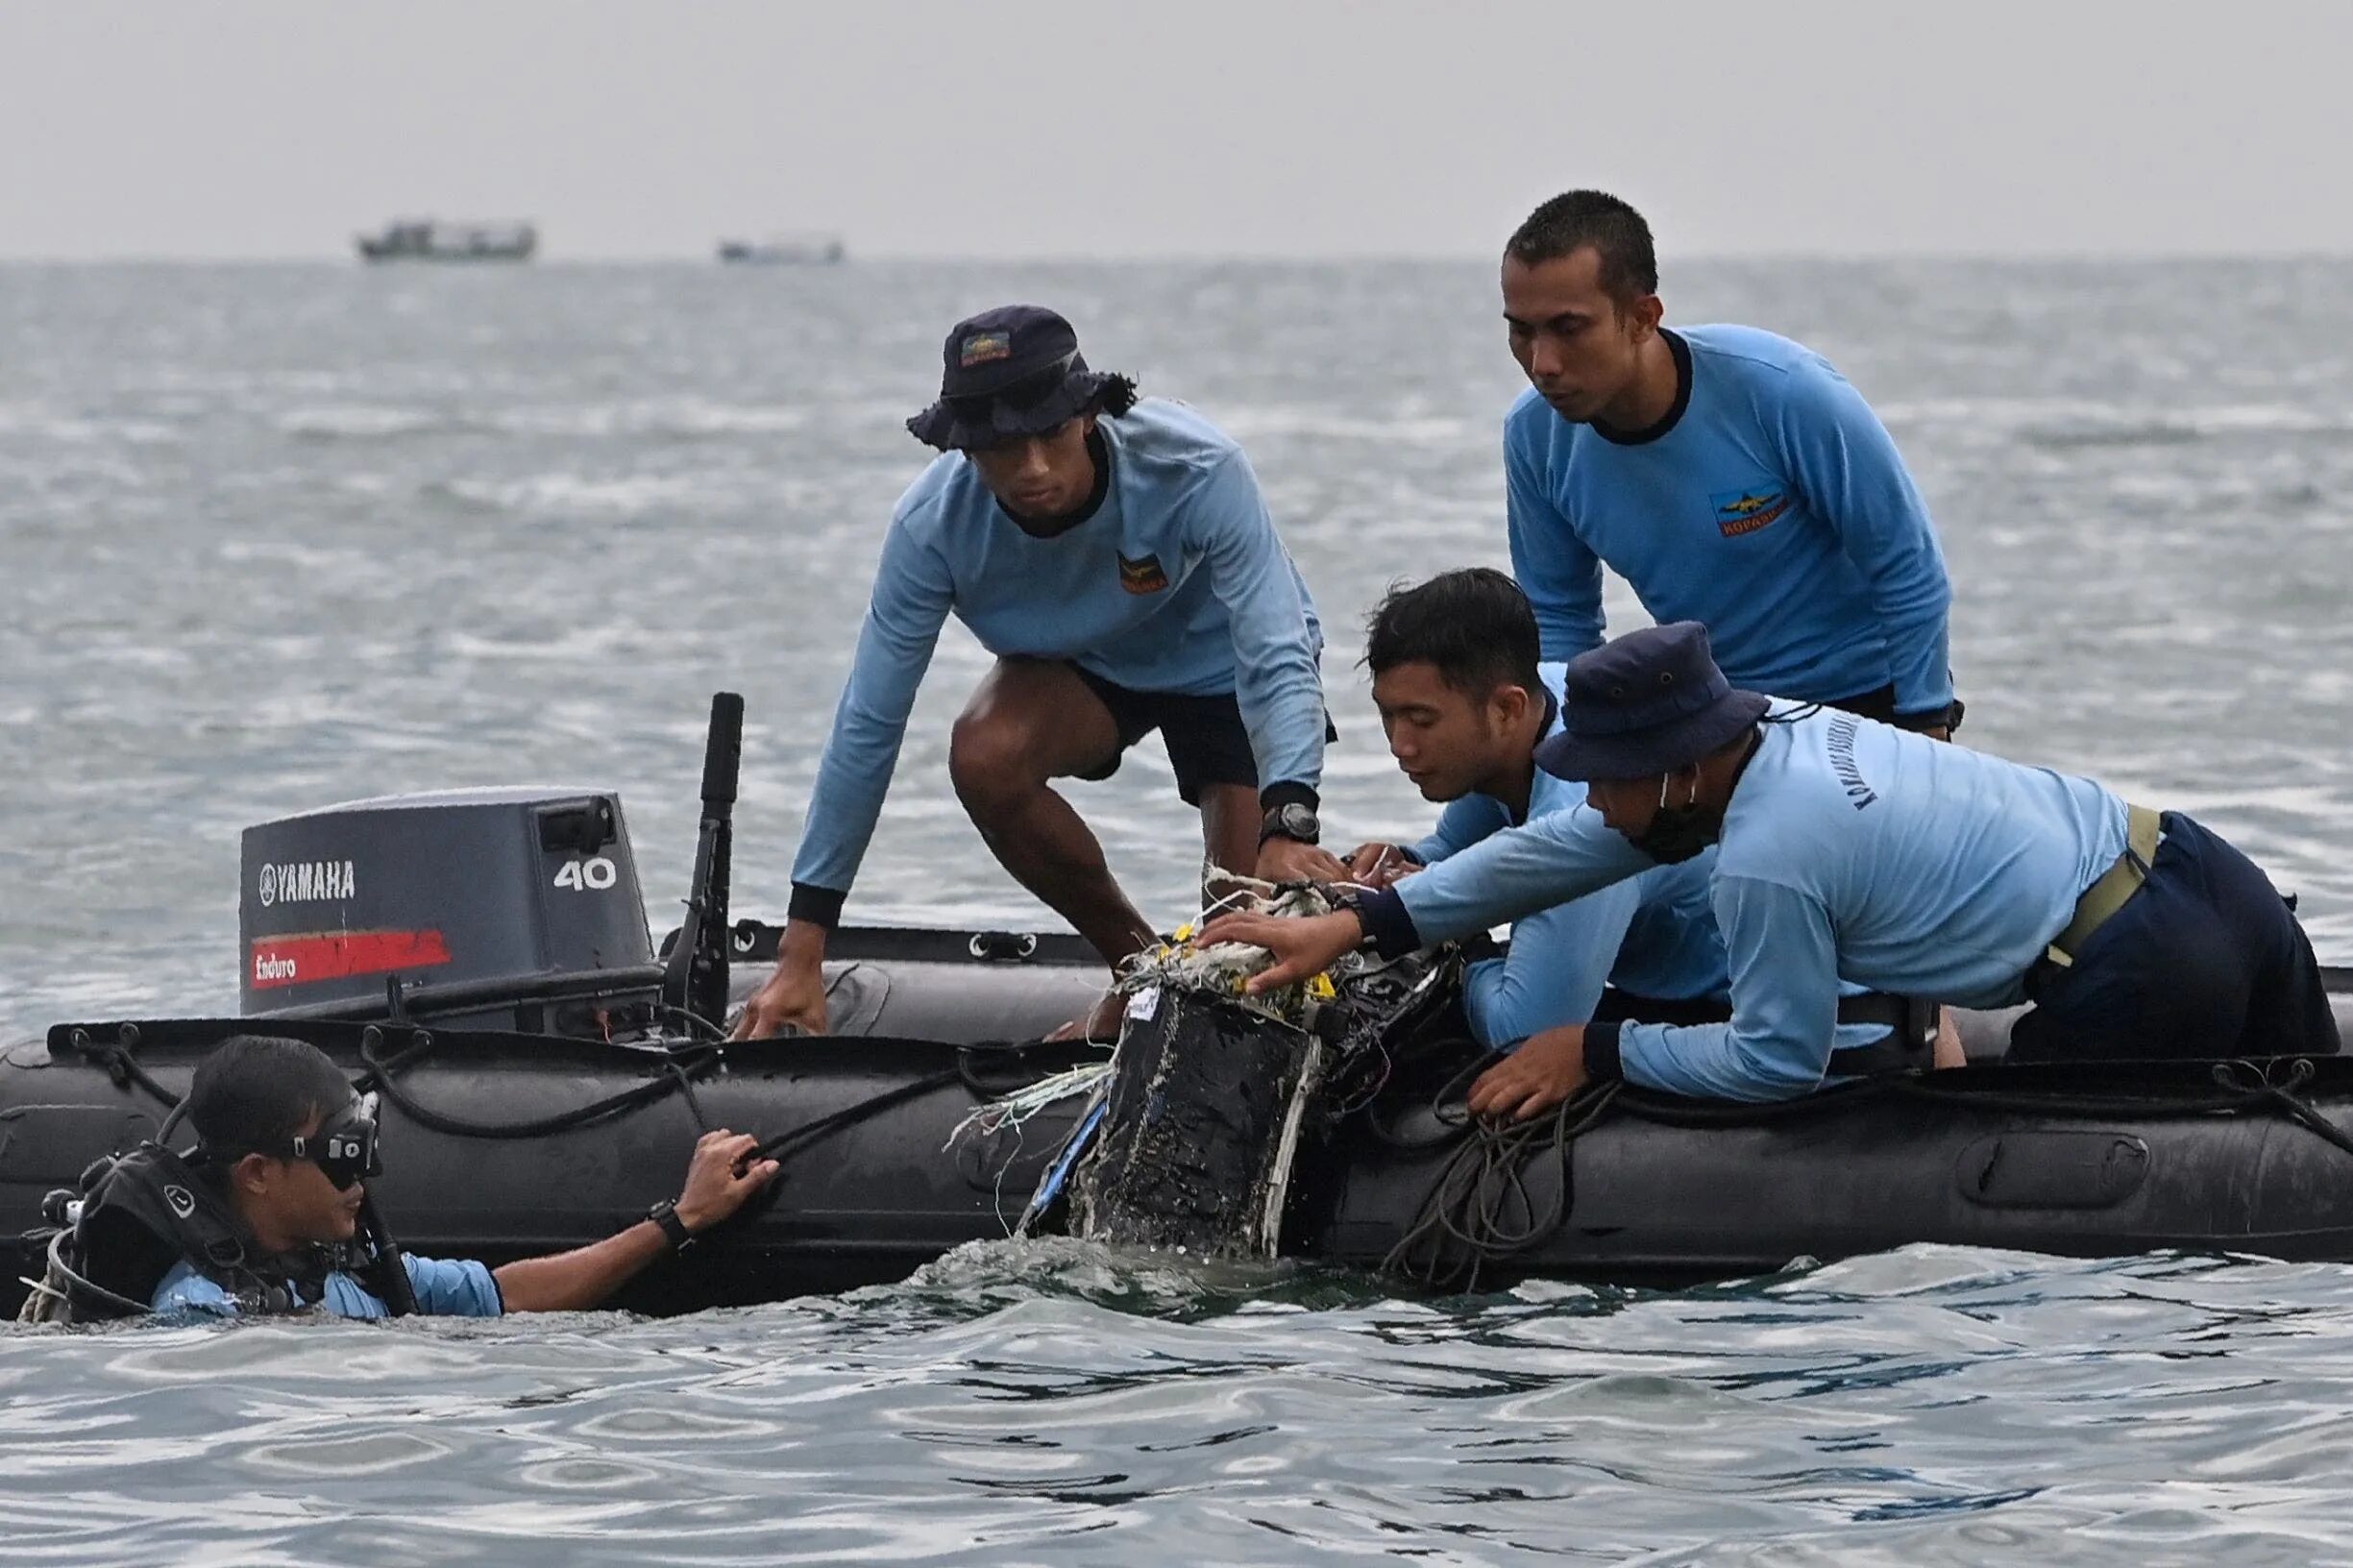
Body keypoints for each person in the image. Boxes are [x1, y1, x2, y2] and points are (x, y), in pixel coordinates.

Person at [1202, 623, 2340, 1114]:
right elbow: (1566, 850)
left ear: (1676, 767)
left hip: (2140, 968)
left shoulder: (1768, 860)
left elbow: (1779, 1062)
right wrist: (1359, 925)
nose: (1592, 797)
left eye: (1606, 773)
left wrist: (1593, 1047)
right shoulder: (1775, 732)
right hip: (2210, 873)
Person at [737, 305, 1344, 1043]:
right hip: (1087, 666)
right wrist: (803, 951)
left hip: (1226, 662)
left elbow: (1275, 651)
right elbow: (867, 725)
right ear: (960, 447)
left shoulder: (1197, 467)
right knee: (984, 753)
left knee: (1239, 953)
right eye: (997, 447)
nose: (1030, 470)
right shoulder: (930, 529)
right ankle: (1138, 970)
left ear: (1087, 416)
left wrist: (1289, 819)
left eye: (1048, 436)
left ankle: (1210, 970)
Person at [1501, 190, 1960, 736]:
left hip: (1871, 701)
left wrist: (1927, 726)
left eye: (1569, 328)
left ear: (1644, 318)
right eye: (1522, 330)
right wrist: (1571, 758)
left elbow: (1907, 565)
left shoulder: (1785, 391)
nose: (1542, 363)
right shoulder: (1533, 436)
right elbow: (1559, 620)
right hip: (1719, 715)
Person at [27, 1034, 778, 1322]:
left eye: (368, 1143)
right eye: (343, 1154)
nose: (366, 1175)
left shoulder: (345, 1268)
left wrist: (679, 1220)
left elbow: (507, 1293)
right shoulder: (197, 1314)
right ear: (258, 1173)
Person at [1342, 568, 1727, 1050]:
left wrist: (1461, 933)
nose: (1401, 747)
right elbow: (1450, 852)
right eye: (1387, 714)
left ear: (1507, 709)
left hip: (1739, 1009)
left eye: (1421, 721)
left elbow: (1522, 1035)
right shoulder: (1538, 696)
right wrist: (1397, 864)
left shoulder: (1590, 804)